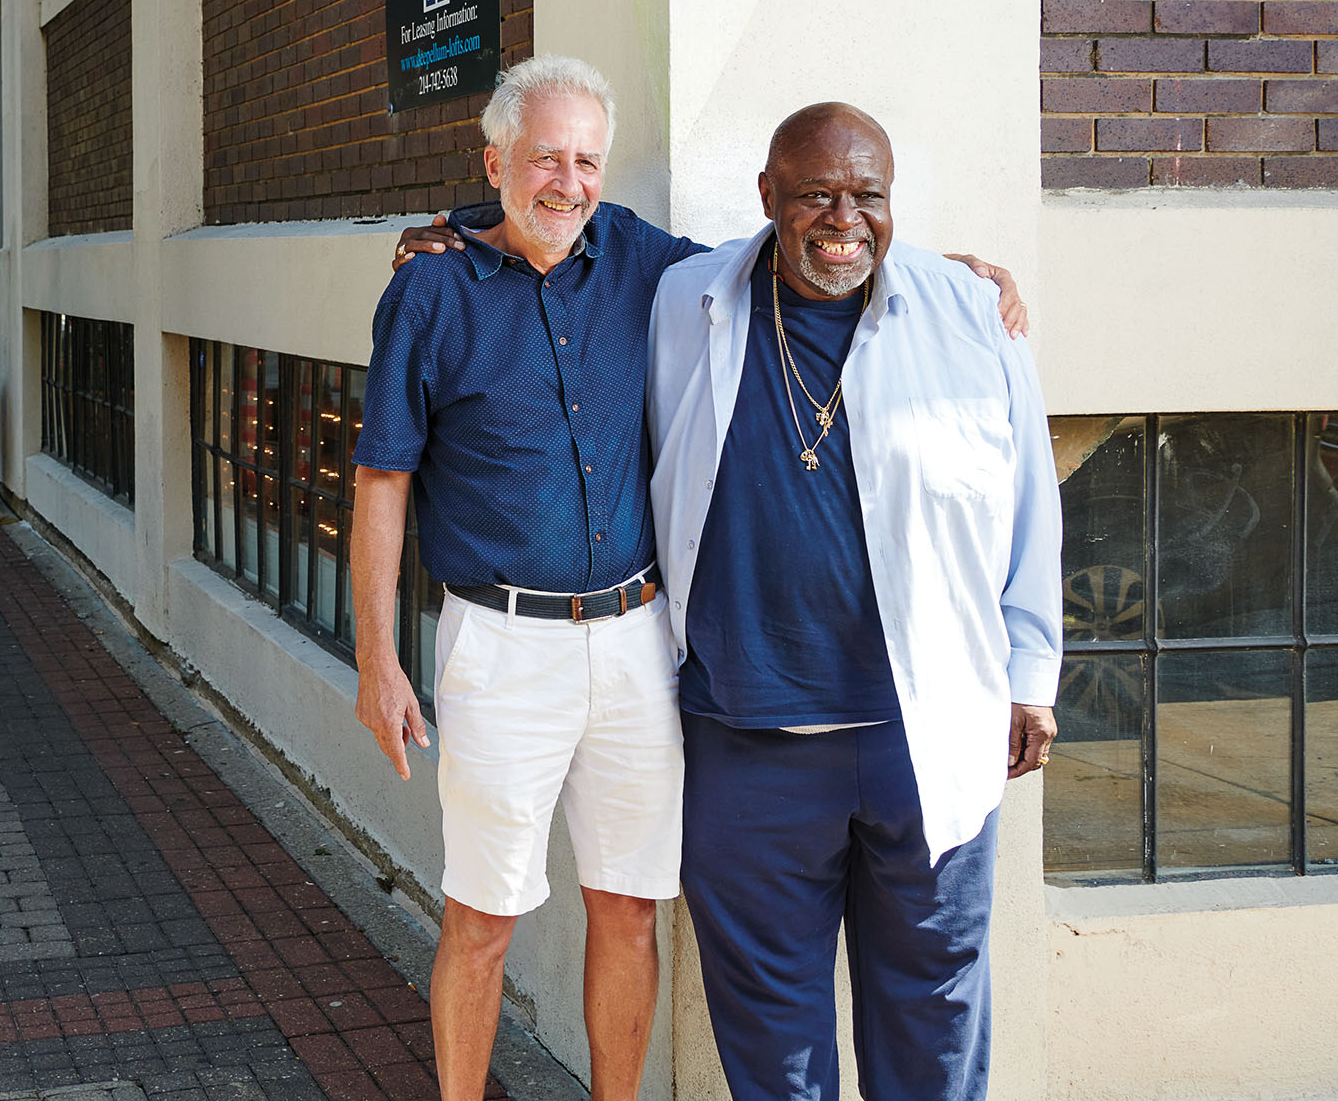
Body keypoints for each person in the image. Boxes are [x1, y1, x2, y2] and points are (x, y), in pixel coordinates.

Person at [644, 102, 1060, 1101]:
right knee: (772, 1040)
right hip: (747, 742)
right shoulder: (684, 298)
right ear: (767, 198)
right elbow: (556, 227)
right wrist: (455, 234)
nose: (844, 218)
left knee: (935, 1013)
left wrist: (1030, 672)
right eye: (817, 195)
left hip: (929, 736)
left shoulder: (966, 311)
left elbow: (1028, 504)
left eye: (867, 195)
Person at [351, 55, 696, 1101]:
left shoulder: (638, 257)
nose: (570, 180)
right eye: (546, 156)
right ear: (496, 159)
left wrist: (928, 271)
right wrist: (378, 658)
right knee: (483, 915)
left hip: (638, 639)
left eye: (588, 159)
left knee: (629, 905)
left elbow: (781, 271)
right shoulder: (429, 289)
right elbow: (381, 483)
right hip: (500, 645)